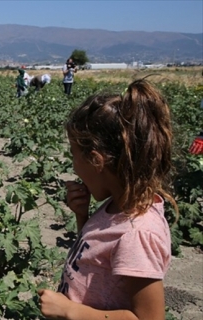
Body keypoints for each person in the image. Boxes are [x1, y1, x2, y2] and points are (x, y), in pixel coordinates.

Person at [38, 79, 179, 320]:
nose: (74, 167)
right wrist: (82, 216)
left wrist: (69, 310)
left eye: (74, 156)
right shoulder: (116, 206)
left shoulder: (137, 234)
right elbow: (97, 257)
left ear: (96, 160)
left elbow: (149, 318)